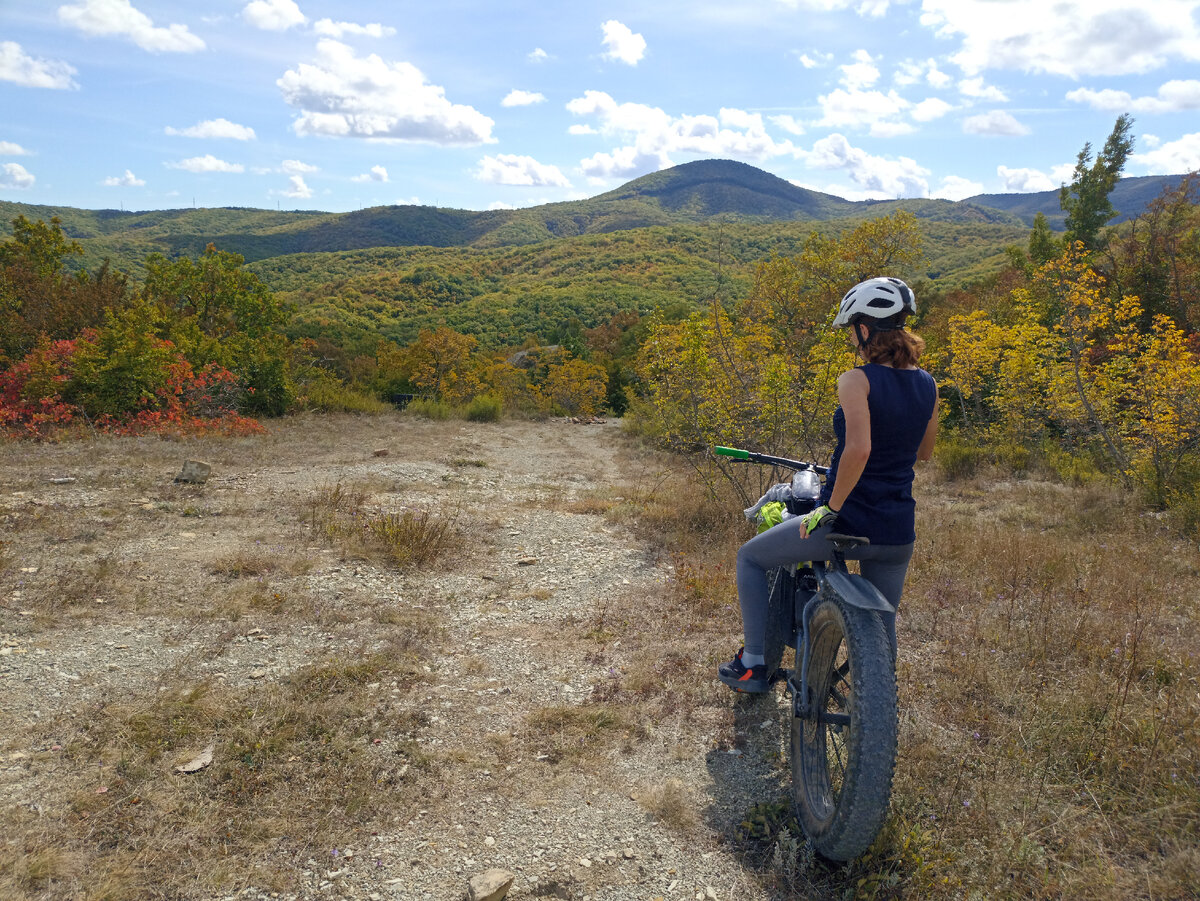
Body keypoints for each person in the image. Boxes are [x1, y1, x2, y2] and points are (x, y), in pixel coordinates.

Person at [718, 276, 939, 693]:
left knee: (750, 558)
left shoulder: (856, 380)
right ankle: (878, 701)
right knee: (883, 620)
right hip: (897, 530)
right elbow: (924, 452)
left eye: (853, 328)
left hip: (849, 521)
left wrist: (831, 507)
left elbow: (858, 450)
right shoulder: (928, 384)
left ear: (865, 328)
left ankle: (752, 663)